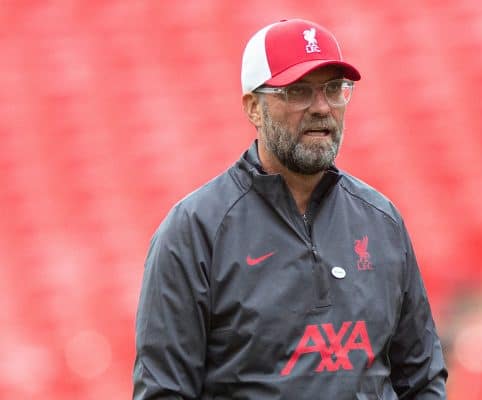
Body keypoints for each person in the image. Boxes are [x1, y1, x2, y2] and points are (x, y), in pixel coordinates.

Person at [133, 18, 448, 399]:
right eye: (298, 91)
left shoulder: (381, 222)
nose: (321, 108)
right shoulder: (194, 231)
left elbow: (422, 379)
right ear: (253, 108)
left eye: (334, 89)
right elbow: (164, 391)